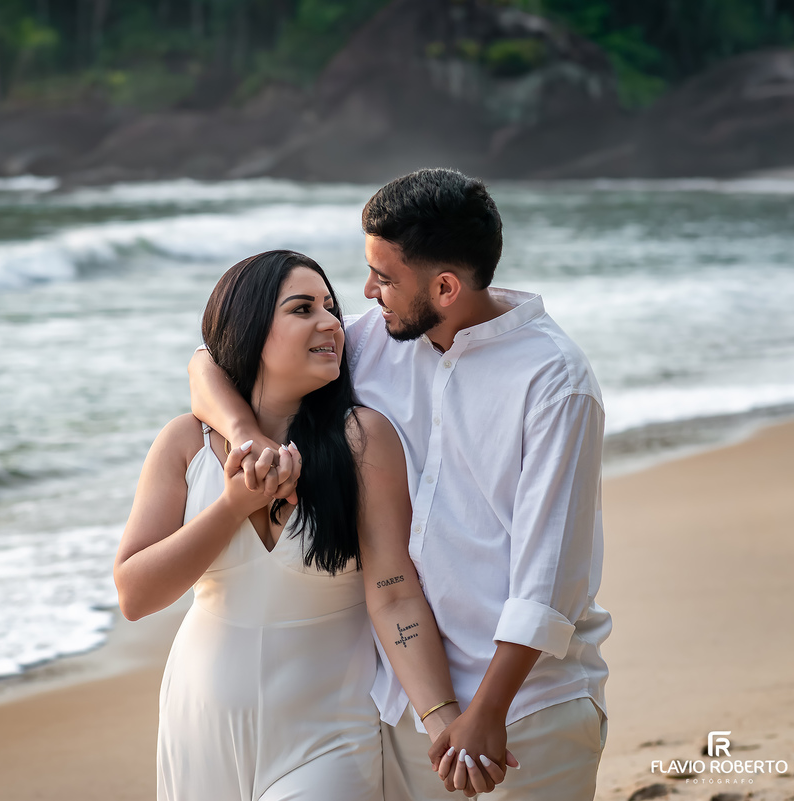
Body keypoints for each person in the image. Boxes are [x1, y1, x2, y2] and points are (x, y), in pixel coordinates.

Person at [189, 169, 611, 800]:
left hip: (527, 712)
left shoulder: (555, 384)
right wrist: (247, 434)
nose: (365, 291)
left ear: (444, 287)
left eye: (383, 278)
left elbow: (550, 579)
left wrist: (487, 713)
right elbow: (208, 365)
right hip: (403, 704)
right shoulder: (372, 342)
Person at [115, 250, 509, 801]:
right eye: (303, 308)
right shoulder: (186, 443)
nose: (331, 323)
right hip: (198, 724)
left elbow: (395, 594)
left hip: (327, 732)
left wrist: (443, 721)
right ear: (249, 327)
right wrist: (231, 504)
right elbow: (135, 594)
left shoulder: (363, 440)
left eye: (331, 306)